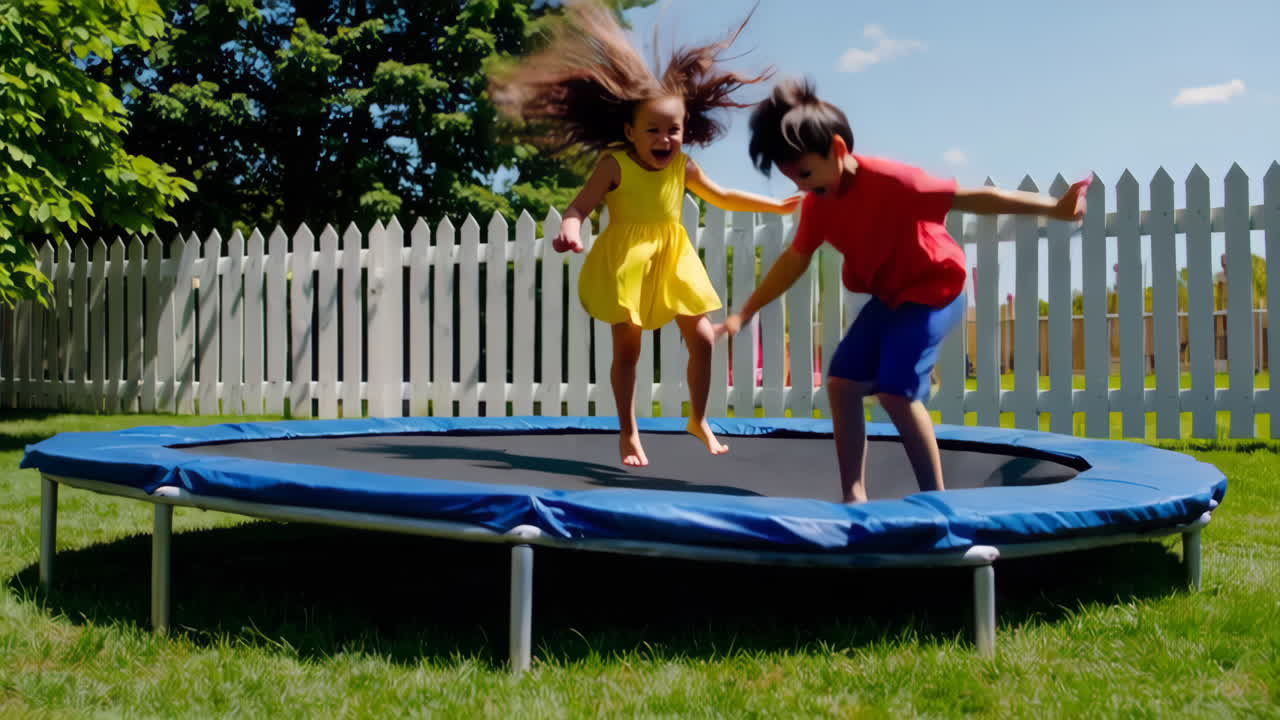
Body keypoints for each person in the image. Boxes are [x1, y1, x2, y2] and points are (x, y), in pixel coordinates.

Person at [715, 79, 1089, 502]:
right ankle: (853, 493)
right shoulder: (820, 205)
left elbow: (979, 198)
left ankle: (936, 498)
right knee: (841, 383)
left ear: (838, 150)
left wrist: (1055, 208)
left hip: (935, 289)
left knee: (896, 391)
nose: (802, 189)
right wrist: (745, 312)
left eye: (806, 175)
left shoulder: (896, 183)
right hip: (889, 297)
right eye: (792, 178)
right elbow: (794, 261)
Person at [490, 2, 799, 467]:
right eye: (653, 129)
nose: (664, 138)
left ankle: (698, 418)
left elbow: (723, 196)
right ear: (630, 131)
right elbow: (578, 206)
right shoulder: (615, 164)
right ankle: (629, 431)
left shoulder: (681, 165)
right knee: (629, 352)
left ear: (683, 132)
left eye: (673, 130)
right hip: (628, 260)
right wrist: (571, 228)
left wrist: (775, 205)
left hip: (673, 256)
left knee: (702, 338)